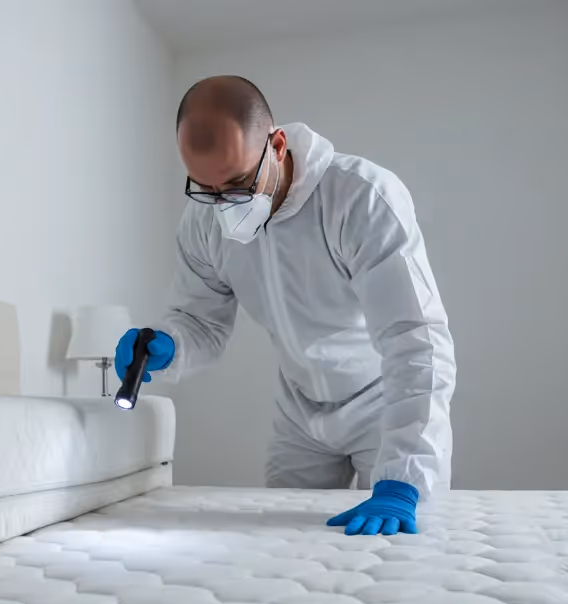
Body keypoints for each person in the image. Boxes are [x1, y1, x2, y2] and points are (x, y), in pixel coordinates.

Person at [116, 75, 455, 536]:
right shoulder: (204, 220)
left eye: (236, 185)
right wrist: (169, 343)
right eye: (206, 188)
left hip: (384, 403)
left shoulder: (359, 198)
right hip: (299, 412)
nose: (223, 205)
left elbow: (415, 340)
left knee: (394, 549)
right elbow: (201, 321)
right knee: (282, 546)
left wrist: (402, 481)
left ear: (276, 146)